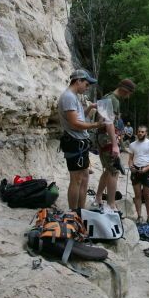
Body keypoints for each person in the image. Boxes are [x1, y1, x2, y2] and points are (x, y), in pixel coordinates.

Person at [57, 69, 103, 211]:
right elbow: (75, 124)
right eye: (86, 84)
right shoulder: (69, 97)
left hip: (79, 143)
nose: (87, 87)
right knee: (76, 179)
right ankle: (73, 213)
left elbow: (79, 118)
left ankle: (80, 211)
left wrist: (89, 107)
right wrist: (96, 125)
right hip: (74, 142)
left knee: (83, 178)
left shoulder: (73, 97)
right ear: (78, 81)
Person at [93, 79, 136, 211]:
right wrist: (115, 145)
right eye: (129, 93)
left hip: (103, 137)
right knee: (114, 171)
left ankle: (98, 198)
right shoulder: (113, 100)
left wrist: (121, 145)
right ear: (125, 90)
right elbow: (109, 122)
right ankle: (111, 204)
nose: (128, 96)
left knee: (108, 169)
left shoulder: (107, 97)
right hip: (107, 139)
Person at [128, 125, 149, 224]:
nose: (140, 133)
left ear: (146, 133)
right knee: (137, 195)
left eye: (142, 132)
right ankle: (139, 216)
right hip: (135, 171)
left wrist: (146, 169)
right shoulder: (132, 145)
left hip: (147, 170)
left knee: (147, 195)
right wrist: (131, 166)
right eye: (139, 131)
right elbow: (130, 159)